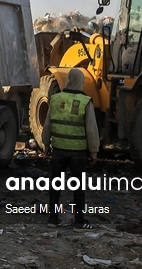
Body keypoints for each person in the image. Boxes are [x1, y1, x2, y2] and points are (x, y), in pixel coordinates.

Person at [42, 67, 99, 229]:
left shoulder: (55, 99)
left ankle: (52, 219)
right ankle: (79, 221)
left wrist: (46, 143)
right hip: (78, 152)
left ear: (67, 81)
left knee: (55, 185)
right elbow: (91, 129)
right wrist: (94, 151)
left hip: (58, 150)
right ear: (81, 82)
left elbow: (47, 125)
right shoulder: (85, 101)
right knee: (78, 187)